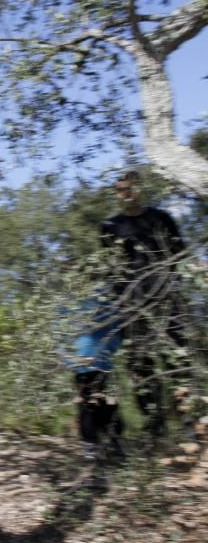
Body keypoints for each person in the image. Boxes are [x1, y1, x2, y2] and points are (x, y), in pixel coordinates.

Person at [97, 170, 188, 443]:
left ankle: (190, 422)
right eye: (119, 190)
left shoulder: (161, 219)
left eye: (128, 188)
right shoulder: (109, 227)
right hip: (132, 310)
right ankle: (155, 431)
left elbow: (179, 255)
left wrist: (172, 285)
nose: (124, 194)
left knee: (179, 361)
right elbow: (108, 268)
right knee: (141, 369)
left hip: (166, 303)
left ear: (140, 188)